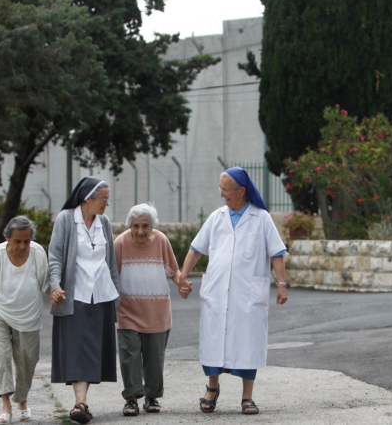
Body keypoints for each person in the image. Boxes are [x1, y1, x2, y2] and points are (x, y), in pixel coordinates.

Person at [178, 167, 289, 415]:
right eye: (220, 190)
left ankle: (247, 397)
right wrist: (182, 276)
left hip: (247, 295)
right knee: (214, 340)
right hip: (217, 292)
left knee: (248, 342)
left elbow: (276, 252)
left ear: (241, 190)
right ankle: (212, 389)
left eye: (226, 191)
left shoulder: (261, 218)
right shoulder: (217, 217)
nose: (222, 196)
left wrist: (281, 285)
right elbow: (196, 248)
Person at [48, 177, 120, 424]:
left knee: (92, 351)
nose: (106, 204)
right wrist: (55, 286)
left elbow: (110, 263)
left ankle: (81, 403)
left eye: (108, 199)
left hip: (100, 296)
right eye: (104, 199)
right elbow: (55, 257)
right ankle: (80, 404)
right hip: (75, 295)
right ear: (88, 198)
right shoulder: (66, 219)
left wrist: (117, 297)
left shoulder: (105, 223)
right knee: (78, 351)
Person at [113, 204, 193, 416]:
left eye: (145, 226)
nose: (140, 231)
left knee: (154, 357)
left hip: (157, 310)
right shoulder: (120, 242)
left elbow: (173, 270)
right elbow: (112, 274)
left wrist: (181, 284)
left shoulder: (161, 240)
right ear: (129, 225)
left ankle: (152, 396)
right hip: (127, 310)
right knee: (129, 355)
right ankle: (131, 399)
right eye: (136, 226)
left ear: (152, 226)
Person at [0, 216, 51, 424]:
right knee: (2, 357)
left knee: (27, 361)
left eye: (26, 241)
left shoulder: (38, 252)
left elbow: (45, 283)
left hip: (29, 316)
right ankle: (6, 405)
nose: (22, 246)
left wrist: (55, 294)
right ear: (7, 238)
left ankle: (22, 401)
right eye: (17, 241)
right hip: (1, 313)